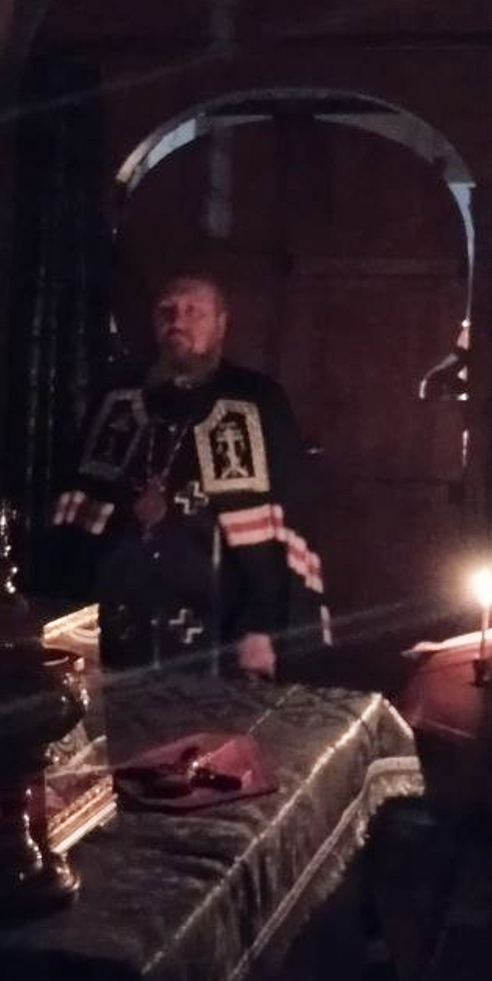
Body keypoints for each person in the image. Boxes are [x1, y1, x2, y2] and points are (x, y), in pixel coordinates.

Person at [48, 274, 329, 678]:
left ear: (221, 325)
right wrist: (65, 622)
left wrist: (263, 626)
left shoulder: (255, 400)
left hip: (221, 626)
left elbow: (284, 525)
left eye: (194, 311)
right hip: (116, 625)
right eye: (167, 311)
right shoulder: (117, 399)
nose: (177, 321)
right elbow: (77, 518)